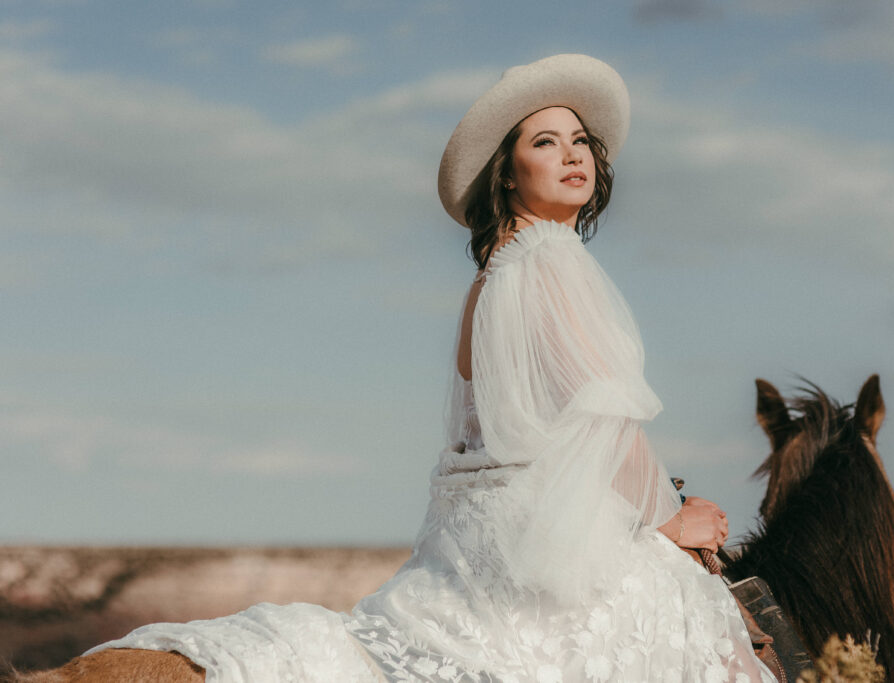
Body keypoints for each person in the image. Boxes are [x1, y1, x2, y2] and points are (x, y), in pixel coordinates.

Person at [81, 54, 777, 682]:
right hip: (545, 550)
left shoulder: (491, 279)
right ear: (507, 172)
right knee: (711, 643)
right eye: (544, 142)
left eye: (580, 141)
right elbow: (604, 414)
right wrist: (666, 524)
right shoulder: (552, 262)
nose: (573, 154)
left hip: (478, 551)